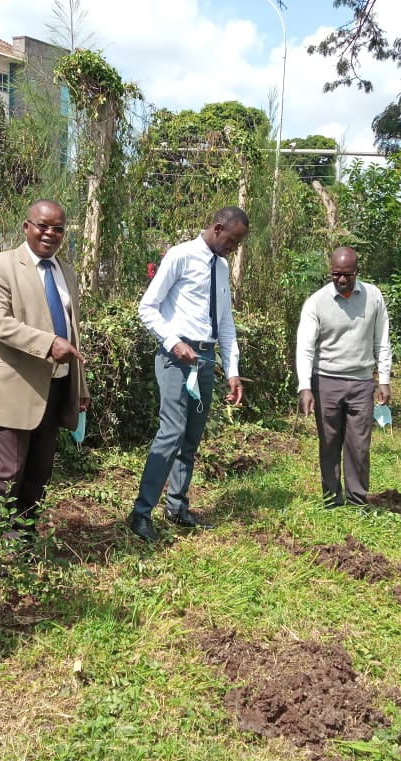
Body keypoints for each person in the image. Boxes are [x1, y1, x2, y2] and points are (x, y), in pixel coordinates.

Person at [127, 207, 249, 543]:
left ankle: (177, 507)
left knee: (191, 437)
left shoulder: (221, 268)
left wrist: (233, 369)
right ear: (218, 227)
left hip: (205, 359)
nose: (233, 249)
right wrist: (173, 341)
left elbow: (224, 322)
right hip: (176, 359)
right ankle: (140, 513)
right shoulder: (180, 256)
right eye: (233, 241)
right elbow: (147, 307)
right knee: (172, 432)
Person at [0, 199, 89, 537]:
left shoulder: (66, 271)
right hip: (14, 388)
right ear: (26, 227)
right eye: (43, 226)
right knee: (2, 475)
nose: (50, 233)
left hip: (54, 388)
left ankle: (20, 539)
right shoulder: (0, 265)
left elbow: (72, 330)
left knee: (39, 472)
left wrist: (80, 387)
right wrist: (48, 344)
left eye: (58, 228)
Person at [295, 246, 392, 508]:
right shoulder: (316, 302)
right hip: (325, 381)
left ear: (357, 272)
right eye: (336, 274)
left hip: (361, 383)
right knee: (329, 443)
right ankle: (331, 499)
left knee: (359, 445)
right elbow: (305, 347)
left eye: (347, 275)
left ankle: (357, 500)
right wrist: (305, 387)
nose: (341, 279)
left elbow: (382, 340)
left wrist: (384, 379)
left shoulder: (373, 297)